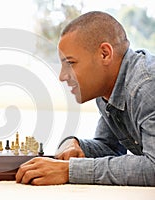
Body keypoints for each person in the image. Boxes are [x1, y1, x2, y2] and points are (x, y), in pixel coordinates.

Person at [16, 11, 155, 186]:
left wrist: (70, 170)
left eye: (71, 63)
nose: (62, 76)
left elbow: (153, 166)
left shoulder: (147, 86)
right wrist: (78, 145)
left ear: (105, 54)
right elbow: (111, 148)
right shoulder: (108, 89)